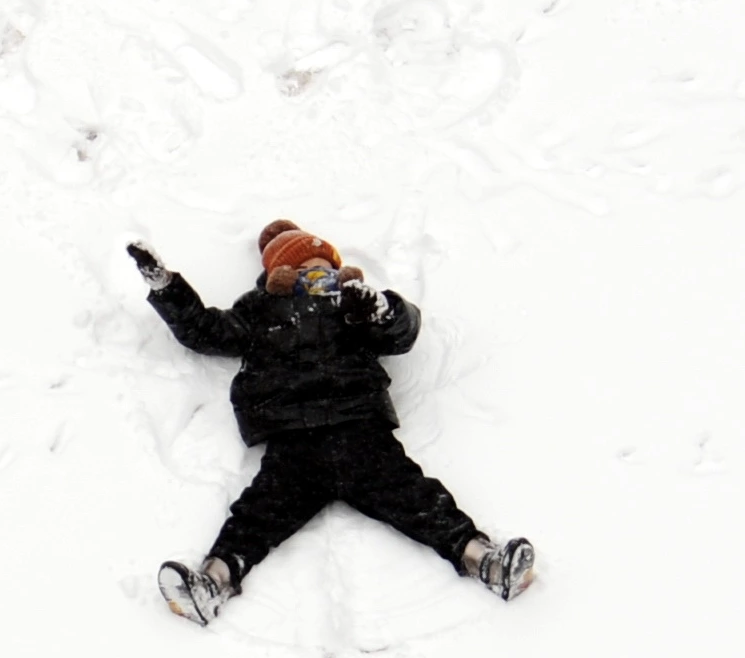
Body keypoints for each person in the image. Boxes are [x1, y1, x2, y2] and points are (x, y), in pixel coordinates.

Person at [128, 220, 535, 624]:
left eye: (324, 267)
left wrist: (377, 308)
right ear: (280, 274)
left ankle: (484, 560)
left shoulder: (352, 303)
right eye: (305, 268)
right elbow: (205, 330)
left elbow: (404, 330)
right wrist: (166, 287)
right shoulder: (258, 310)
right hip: (293, 441)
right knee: (258, 513)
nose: (317, 276)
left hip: (358, 428)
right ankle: (213, 580)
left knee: (415, 497)